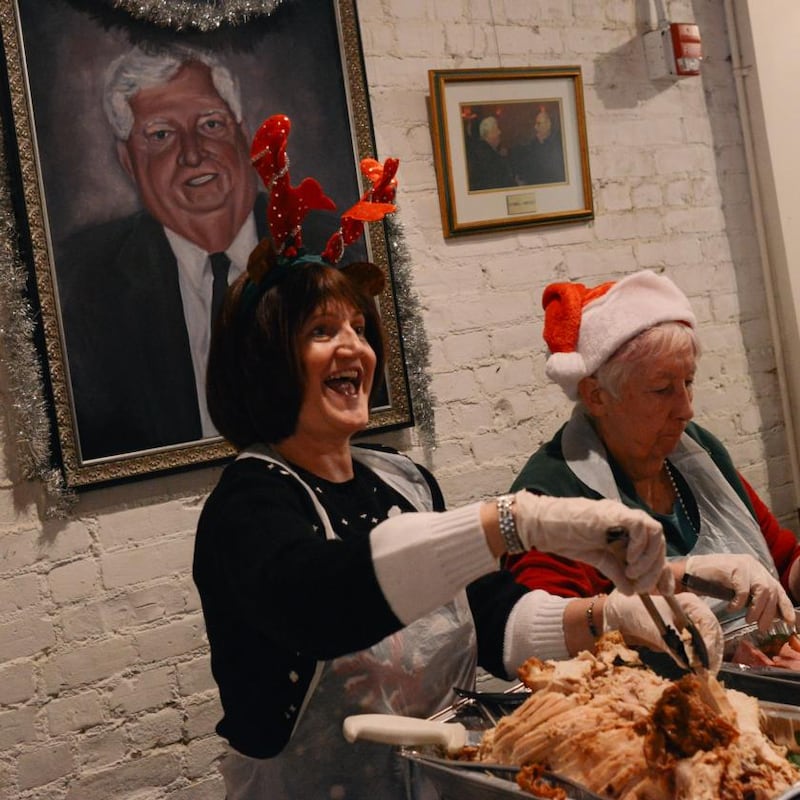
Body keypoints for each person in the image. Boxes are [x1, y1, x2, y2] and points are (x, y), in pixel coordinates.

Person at [191, 116, 716, 799]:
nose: (354, 346)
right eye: (322, 331)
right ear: (266, 360)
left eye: (359, 327)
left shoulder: (401, 478)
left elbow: (492, 621)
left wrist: (607, 619)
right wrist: (513, 521)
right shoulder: (248, 503)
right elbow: (321, 600)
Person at [506, 270, 799, 663]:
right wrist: (722, 662)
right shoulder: (550, 494)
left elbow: (779, 561)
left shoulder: (695, 450)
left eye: (688, 383)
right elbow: (557, 654)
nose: (686, 409)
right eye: (662, 390)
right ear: (596, 396)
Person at [55, 44, 332, 460]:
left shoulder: (333, 247)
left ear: (244, 135)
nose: (192, 152)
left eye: (211, 125)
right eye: (160, 135)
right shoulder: (80, 282)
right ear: (128, 162)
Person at [510, 105, 566, 186]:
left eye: (539, 124)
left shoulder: (558, 145)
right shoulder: (533, 144)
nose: (535, 127)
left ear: (548, 124)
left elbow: (551, 173)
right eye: (535, 124)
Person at [465, 115, 516, 191]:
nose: (500, 132)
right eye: (496, 130)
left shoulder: (482, 151)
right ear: (488, 134)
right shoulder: (489, 157)